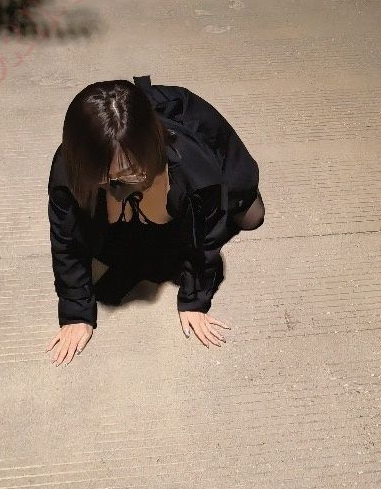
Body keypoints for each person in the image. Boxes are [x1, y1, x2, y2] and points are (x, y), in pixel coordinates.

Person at [46, 75, 265, 365]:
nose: (114, 183)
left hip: (188, 153)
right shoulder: (70, 168)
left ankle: (157, 188)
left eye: (126, 172)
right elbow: (66, 241)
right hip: (136, 168)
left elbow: (206, 240)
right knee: (128, 248)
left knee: (251, 216)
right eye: (104, 176)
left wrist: (194, 300)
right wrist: (76, 313)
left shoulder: (190, 166)